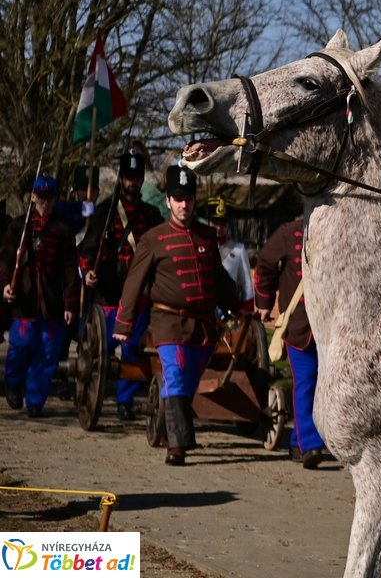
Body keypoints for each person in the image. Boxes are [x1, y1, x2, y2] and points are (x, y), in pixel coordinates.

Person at [115, 165, 237, 465]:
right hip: (168, 323)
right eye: (178, 199)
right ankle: (178, 446)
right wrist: (124, 323)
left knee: (187, 383)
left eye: (189, 199)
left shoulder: (206, 236)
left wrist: (236, 307)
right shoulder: (153, 239)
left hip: (203, 327)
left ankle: (170, 431)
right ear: (168, 201)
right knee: (176, 377)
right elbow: (135, 282)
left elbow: (218, 277)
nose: (184, 205)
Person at [80, 150, 164, 420]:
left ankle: (124, 402)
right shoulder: (105, 211)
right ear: (120, 178)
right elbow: (87, 249)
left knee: (132, 351)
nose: (131, 183)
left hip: (137, 297)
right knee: (100, 352)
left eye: (136, 177)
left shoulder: (151, 215)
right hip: (108, 294)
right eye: (127, 177)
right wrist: (86, 272)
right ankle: (93, 394)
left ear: (141, 179)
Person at [1, 176, 80, 416]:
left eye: (50, 197)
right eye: (41, 197)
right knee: (21, 345)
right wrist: (5, 284)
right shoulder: (17, 226)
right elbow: (4, 261)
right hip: (23, 302)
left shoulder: (62, 229)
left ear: (55, 199)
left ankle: (36, 399)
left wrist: (69, 303)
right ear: (33, 196)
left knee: (47, 352)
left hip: (52, 303)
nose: (45, 202)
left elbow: (69, 269)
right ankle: (13, 384)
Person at [254, 214, 328, 468]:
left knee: (328, 386)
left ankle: (300, 441)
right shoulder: (289, 232)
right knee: (306, 383)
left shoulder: (338, 226)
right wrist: (264, 303)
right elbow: (264, 264)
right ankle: (310, 445)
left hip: (332, 328)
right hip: (299, 325)